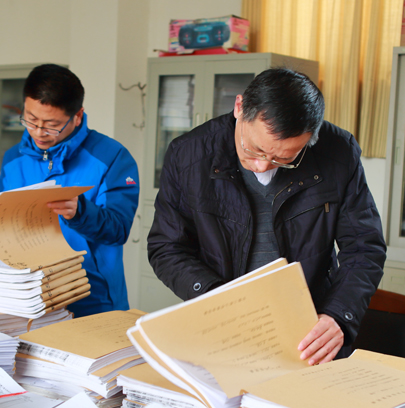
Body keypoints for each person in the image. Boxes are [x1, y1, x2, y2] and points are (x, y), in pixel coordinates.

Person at [148, 68, 386, 365]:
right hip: (223, 327)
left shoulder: (338, 153)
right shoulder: (189, 155)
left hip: (309, 330)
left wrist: (338, 315)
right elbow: (167, 247)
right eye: (254, 150)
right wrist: (215, 297)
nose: (262, 166)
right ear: (239, 107)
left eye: (284, 159)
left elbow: (364, 247)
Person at [0, 64, 139, 318]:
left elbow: (118, 230)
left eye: (51, 125)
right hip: (28, 298)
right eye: (30, 119)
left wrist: (80, 212)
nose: (39, 132)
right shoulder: (13, 159)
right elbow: (13, 226)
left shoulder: (111, 157)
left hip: (92, 300)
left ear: (78, 116)